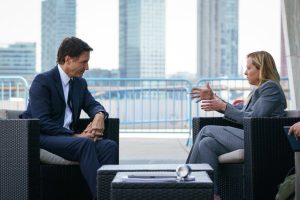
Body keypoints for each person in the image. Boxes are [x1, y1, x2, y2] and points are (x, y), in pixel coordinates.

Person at [20, 36, 118, 200]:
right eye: (83, 62)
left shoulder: (79, 83)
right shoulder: (42, 81)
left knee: (109, 146)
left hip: (69, 140)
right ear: (68, 60)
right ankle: (104, 197)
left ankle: (105, 196)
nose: (87, 67)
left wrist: (99, 115)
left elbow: (92, 104)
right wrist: (75, 135)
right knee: (85, 143)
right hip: (43, 137)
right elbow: (43, 122)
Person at [187, 51, 287, 199]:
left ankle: (188, 182)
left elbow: (254, 118)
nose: (245, 73)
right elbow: (242, 111)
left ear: (262, 69)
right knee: (207, 143)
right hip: (251, 136)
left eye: (249, 68)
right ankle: (212, 194)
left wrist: (222, 107)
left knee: (206, 130)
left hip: (261, 140)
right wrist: (215, 99)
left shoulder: (270, 88)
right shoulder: (258, 90)